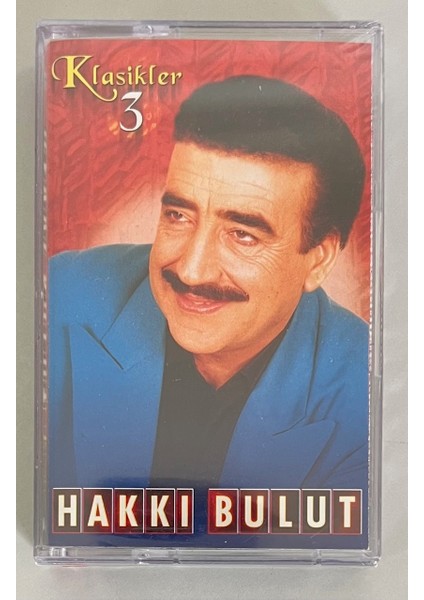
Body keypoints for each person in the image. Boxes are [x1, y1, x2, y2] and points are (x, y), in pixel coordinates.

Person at [48, 76, 369, 540]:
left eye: (243, 235)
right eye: (178, 215)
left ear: (318, 259)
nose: (192, 270)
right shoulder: (58, 295)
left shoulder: (371, 395)